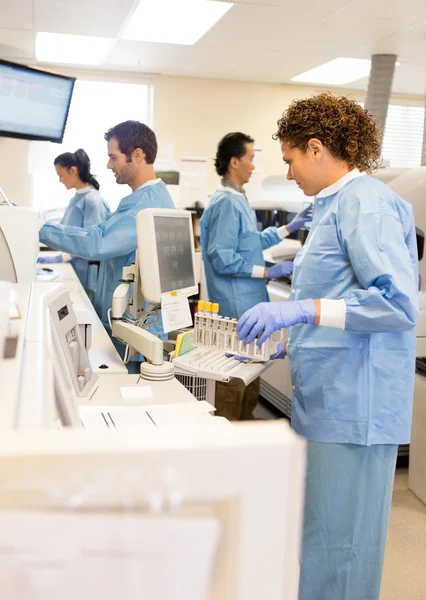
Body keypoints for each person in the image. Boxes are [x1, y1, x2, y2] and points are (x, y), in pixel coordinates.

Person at [236, 93, 419, 599]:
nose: (289, 174)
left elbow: (398, 305)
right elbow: (336, 295)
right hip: (330, 396)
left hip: (355, 405)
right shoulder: (335, 205)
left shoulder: (367, 203)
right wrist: (290, 340)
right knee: (322, 538)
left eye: (291, 159)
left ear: (316, 148)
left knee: (343, 546)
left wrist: (300, 311)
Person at [39, 121, 175, 367]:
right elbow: (100, 234)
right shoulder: (144, 199)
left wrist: (38, 228)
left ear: (137, 155)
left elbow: (98, 242)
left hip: (135, 333)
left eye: (113, 157)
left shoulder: (144, 206)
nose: (108, 165)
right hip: (130, 326)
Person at [200, 132, 312, 420]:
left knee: (249, 381)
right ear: (234, 161)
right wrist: (268, 271)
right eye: (250, 158)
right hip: (235, 306)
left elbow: (251, 243)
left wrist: (289, 228)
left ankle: (245, 433)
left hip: (247, 303)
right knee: (233, 382)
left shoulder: (237, 197)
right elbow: (222, 258)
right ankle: (229, 445)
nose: (253, 165)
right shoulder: (226, 201)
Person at [39, 149, 110, 300]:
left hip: (88, 272)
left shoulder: (93, 201)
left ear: (73, 170)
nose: (60, 180)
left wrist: (62, 257)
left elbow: (92, 243)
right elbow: (66, 231)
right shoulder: (77, 199)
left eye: (61, 175)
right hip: (76, 267)